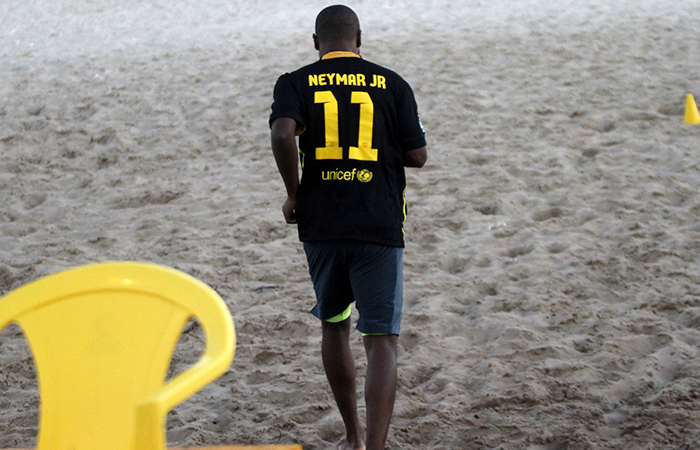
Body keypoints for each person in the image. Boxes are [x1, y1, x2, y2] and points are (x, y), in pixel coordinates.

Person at [269, 5, 427, 450]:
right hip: (378, 223)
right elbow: (419, 156)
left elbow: (283, 134)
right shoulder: (392, 83)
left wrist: (293, 192)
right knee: (381, 339)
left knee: (334, 324)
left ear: (316, 43)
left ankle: (353, 436)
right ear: (359, 38)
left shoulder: (295, 81)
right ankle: (374, 447)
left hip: (322, 225)